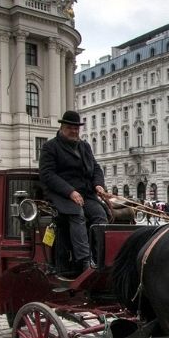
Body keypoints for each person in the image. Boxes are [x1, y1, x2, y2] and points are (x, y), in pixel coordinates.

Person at [39, 110, 107, 277]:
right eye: (70, 128)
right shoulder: (50, 147)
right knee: (77, 214)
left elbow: (96, 168)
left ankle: (101, 257)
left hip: (86, 194)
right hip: (61, 194)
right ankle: (84, 260)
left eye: (76, 128)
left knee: (100, 214)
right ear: (62, 127)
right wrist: (70, 192)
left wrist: (98, 185)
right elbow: (47, 174)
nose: (74, 131)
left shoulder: (84, 146)